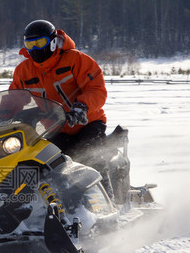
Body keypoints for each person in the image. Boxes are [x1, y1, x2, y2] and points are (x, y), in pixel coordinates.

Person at [10, 19, 114, 198]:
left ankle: (108, 202)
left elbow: (96, 89)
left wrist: (82, 107)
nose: (34, 49)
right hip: (54, 127)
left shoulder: (76, 60)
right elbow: (14, 98)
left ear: (52, 42)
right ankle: (48, 205)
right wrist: (0, 116)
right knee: (42, 163)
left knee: (92, 157)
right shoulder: (23, 70)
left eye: (39, 43)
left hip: (87, 122)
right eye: (29, 44)